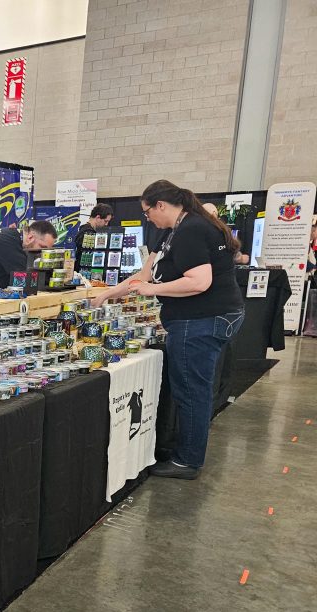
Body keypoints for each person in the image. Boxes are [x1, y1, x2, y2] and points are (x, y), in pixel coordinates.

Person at [91, 180, 244, 480]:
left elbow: (199, 281)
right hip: (200, 319)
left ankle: (187, 461)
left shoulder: (192, 229)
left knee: (192, 392)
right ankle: (185, 451)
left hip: (201, 320)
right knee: (191, 389)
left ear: (160, 205)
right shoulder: (174, 230)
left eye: (147, 212)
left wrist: (152, 290)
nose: (147, 218)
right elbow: (144, 274)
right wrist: (108, 294)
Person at [73, 204, 114, 270]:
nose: (106, 224)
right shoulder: (87, 233)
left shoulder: (84, 230)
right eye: (105, 221)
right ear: (98, 217)